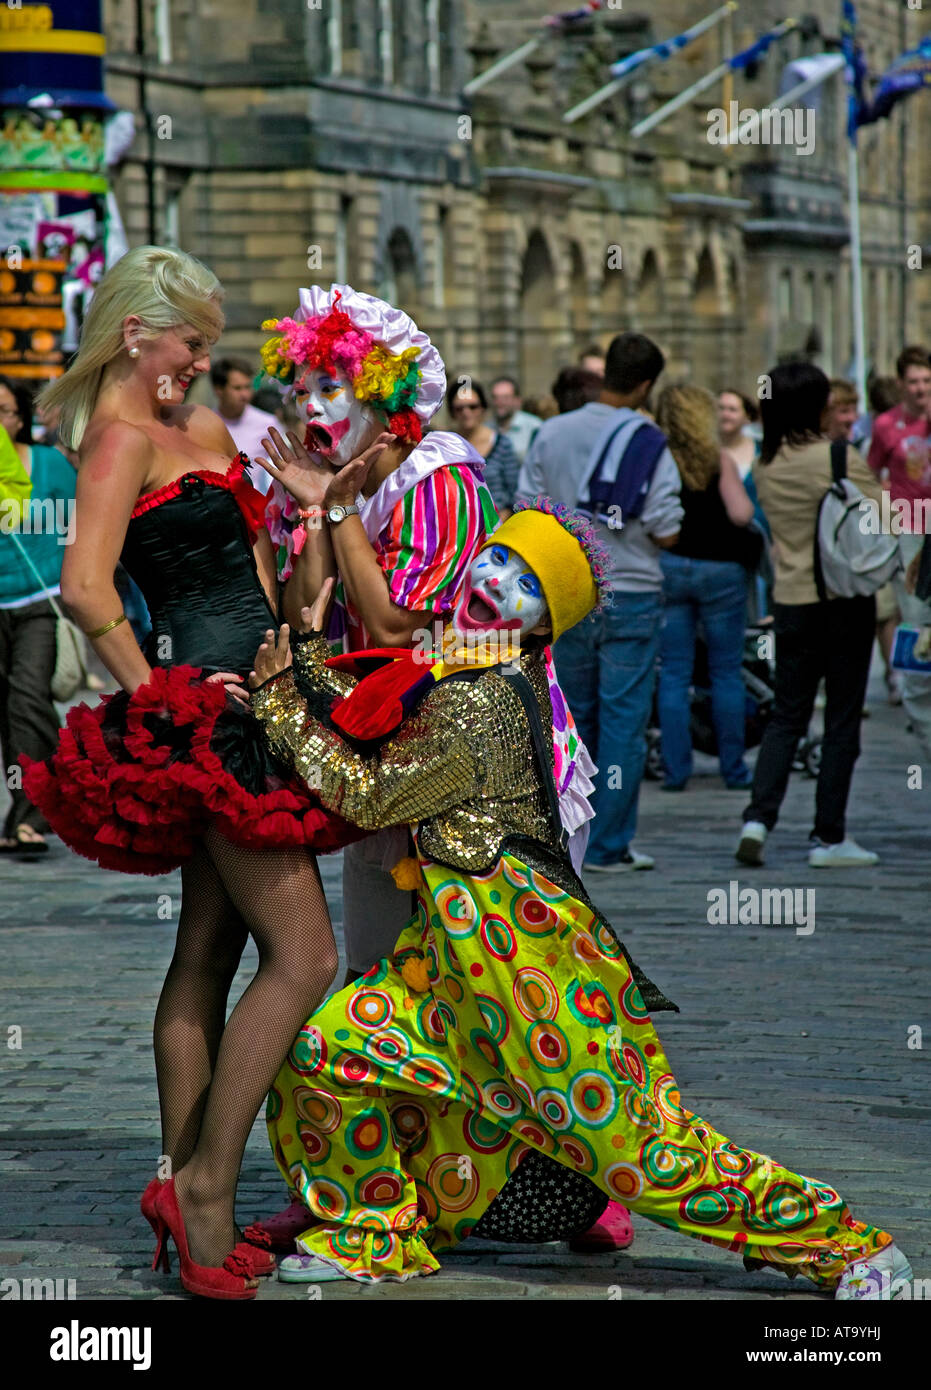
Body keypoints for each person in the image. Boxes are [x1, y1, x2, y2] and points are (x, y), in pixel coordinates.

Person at [244, 501, 910, 1299]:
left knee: (642, 1150)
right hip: (452, 964)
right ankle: (371, 1231)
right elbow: (385, 718)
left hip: (521, 969)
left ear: (541, 624)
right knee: (330, 1052)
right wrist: (311, 665)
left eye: (527, 584)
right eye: (495, 560)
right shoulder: (464, 664)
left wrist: (281, 703)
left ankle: (844, 1246)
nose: (497, 582)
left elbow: (368, 793)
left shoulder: (479, 695)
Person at [246, 284, 626, 1257]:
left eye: (334, 386)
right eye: (301, 389)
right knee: (383, 980)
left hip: (482, 784)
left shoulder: (441, 485)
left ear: (384, 396)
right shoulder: (339, 484)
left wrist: (330, 515)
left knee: (515, 1000)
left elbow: (395, 633)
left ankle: (594, 1169)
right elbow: (304, 617)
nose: (311, 409)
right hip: (389, 773)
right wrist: (309, 525)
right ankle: (371, 1181)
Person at [22, 246, 363, 1301]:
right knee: (304, 959)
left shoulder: (206, 431)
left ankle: (189, 1203)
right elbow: (85, 589)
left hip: (260, 703)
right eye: (191, 343)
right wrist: (161, 694)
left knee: (209, 952)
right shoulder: (119, 437)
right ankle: (207, 1183)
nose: (202, 364)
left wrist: (310, 505)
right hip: (205, 721)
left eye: (210, 346)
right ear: (137, 332)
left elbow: (282, 593)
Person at [517, 332, 683, 872]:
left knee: (570, 716)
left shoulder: (551, 430)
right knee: (624, 722)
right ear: (645, 384)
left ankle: (566, 834)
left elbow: (526, 509)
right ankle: (611, 843)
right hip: (631, 589)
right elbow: (665, 527)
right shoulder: (649, 440)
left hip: (565, 596)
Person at [737, 362, 883, 869]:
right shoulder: (839, 457)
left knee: (787, 715)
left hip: (792, 601)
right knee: (842, 719)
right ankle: (828, 836)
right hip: (844, 603)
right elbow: (883, 515)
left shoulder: (765, 464)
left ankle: (757, 819)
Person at [654, 384, 757, 792]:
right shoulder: (720, 459)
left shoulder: (659, 460)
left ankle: (676, 772)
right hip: (721, 573)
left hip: (672, 567)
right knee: (726, 671)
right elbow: (741, 513)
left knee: (675, 673)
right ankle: (734, 769)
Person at [0, 377, 77, 854]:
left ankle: (31, 813)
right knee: (9, 709)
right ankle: (32, 801)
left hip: (39, 602)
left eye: (5, 411)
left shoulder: (49, 463)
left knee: (27, 697)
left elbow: (79, 526)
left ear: (20, 416)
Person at [868, 345, 931, 757]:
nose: (921, 389)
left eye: (927, 381)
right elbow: (871, 476)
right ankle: (922, 716)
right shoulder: (887, 426)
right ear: (900, 384)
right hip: (910, 531)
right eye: (914, 381)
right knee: (915, 623)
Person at [829, 379, 902, 706]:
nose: (851, 418)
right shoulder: (836, 454)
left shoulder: (855, 447)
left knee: (885, 612)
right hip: (842, 571)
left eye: (854, 410)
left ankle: (892, 675)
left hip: (860, 559)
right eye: (843, 411)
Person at [447, 377, 519, 516]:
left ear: (483, 408)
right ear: (452, 412)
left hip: (497, 527)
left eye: (472, 407)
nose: (466, 412)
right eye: (459, 408)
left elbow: (514, 493)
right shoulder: (445, 445)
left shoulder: (501, 443)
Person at [210, 356, 276, 493]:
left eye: (247, 387)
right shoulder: (205, 423)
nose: (245, 394)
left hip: (256, 504)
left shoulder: (267, 423)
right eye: (237, 388)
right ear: (218, 390)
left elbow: (279, 468)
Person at [490, 376, 542, 465]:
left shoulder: (534, 426)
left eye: (505, 397)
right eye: (495, 397)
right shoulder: (487, 428)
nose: (499, 402)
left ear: (517, 400)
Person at [716, 388, 758, 478]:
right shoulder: (706, 448)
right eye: (721, 408)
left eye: (732, 410)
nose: (725, 414)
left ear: (747, 416)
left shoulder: (760, 449)